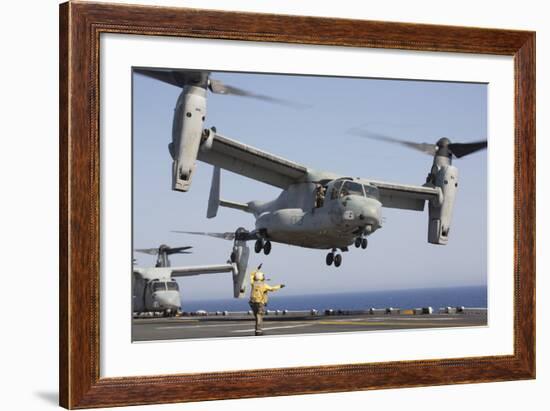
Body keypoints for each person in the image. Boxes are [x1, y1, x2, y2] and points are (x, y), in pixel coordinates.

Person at [249, 265, 285, 336]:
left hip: (252, 303)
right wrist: (279, 286)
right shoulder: (264, 285)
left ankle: (257, 330)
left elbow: (251, 275)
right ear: (261, 277)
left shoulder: (253, 283)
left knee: (257, 316)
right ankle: (258, 331)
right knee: (259, 316)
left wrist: (257, 269)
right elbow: (272, 289)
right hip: (260, 303)